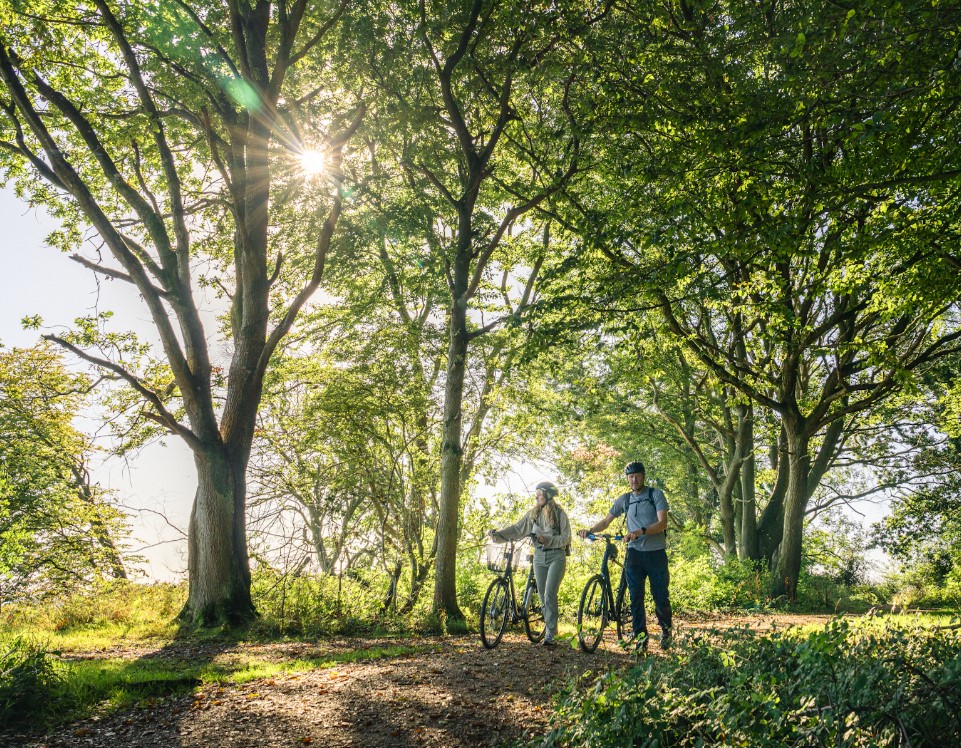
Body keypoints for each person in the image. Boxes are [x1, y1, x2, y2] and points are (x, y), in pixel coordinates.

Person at [578, 461, 672, 651]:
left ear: (643, 476)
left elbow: (663, 523)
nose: (634, 480)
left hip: (656, 554)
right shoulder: (625, 499)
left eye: (637, 476)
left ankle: (666, 632)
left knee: (660, 596)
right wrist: (590, 530)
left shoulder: (655, 495)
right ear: (627, 479)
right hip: (634, 554)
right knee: (635, 598)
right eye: (630, 477)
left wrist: (640, 531)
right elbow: (606, 521)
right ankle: (641, 640)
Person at [490, 481, 571, 647]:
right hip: (539, 557)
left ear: (548, 495)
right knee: (542, 595)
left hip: (556, 556)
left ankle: (551, 635)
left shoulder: (559, 514)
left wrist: (548, 540)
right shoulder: (533, 514)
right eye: (536, 494)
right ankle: (550, 630)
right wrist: (498, 535)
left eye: (540, 493)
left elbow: (566, 538)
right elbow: (517, 529)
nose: (537, 496)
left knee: (549, 594)